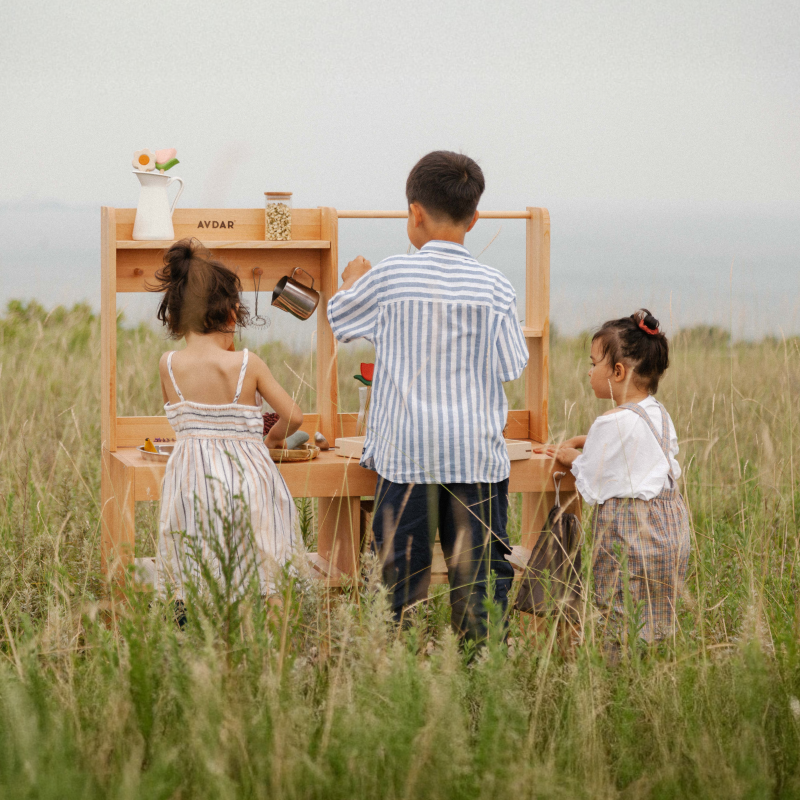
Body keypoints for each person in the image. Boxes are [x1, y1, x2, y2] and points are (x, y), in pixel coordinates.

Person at [327, 151, 528, 643]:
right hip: (476, 459)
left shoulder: (390, 277)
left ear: (414, 213)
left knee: (397, 584)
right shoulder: (496, 288)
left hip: (407, 459)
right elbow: (511, 364)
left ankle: (394, 672)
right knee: (480, 583)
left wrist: (352, 278)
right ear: (474, 218)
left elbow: (341, 318)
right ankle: (482, 682)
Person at [150, 238, 303, 605]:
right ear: (232, 313)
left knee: (192, 570)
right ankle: (266, 644)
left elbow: (182, 419)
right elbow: (294, 416)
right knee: (263, 571)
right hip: (248, 482)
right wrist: (274, 439)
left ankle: (192, 636)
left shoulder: (168, 364)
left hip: (190, 484)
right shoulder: (247, 363)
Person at [535, 309, 690, 646]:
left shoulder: (609, 422)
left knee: (618, 613)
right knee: (658, 610)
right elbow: (642, 451)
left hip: (629, 533)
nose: (588, 372)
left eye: (593, 364)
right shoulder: (657, 412)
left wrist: (572, 457)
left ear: (618, 372)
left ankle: (616, 672)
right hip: (670, 527)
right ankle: (656, 667)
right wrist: (588, 443)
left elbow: (591, 480)